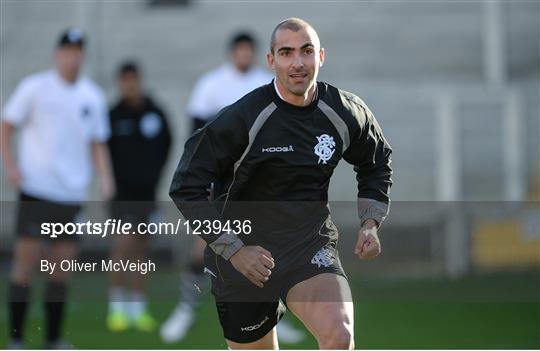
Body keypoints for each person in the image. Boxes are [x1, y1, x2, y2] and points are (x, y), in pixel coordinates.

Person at [168, 18, 393, 349]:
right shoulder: (244, 117)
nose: (298, 63)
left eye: (306, 51)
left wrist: (370, 222)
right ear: (271, 61)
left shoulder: (344, 112)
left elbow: (376, 162)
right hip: (243, 258)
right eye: (286, 53)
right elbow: (186, 185)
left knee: (339, 334)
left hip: (308, 246)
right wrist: (234, 250)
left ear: (321, 57)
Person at [162, 31, 304, 344]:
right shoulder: (211, 85)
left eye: (247, 50)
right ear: (231, 53)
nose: (243, 55)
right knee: (203, 246)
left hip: (258, 186)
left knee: (269, 249)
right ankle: (186, 308)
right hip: (219, 181)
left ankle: (275, 315)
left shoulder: (268, 86)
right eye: (238, 50)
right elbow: (196, 137)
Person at [1, 28, 114, 349]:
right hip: (37, 190)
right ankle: (17, 340)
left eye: (78, 50)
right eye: (67, 50)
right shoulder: (35, 88)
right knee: (25, 266)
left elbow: (97, 144)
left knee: (59, 270)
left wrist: (106, 180)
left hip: (71, 195)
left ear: (84, 55)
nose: (72, 56)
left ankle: (53, 340)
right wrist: (11, 166)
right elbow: (6, 126)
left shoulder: (91, 96)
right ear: (57, 54)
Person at [106, 61, 172, 333]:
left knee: (142, 251)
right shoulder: (112, 115)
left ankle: (138, 307)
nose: (130, 84)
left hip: (147, 193)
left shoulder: (154, 112)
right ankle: (117, 307)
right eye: (125, 80)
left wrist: (154, 177)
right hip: (122, 194)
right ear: (119, 83)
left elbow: (167, 143)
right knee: (122, 247)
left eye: (133, 79)